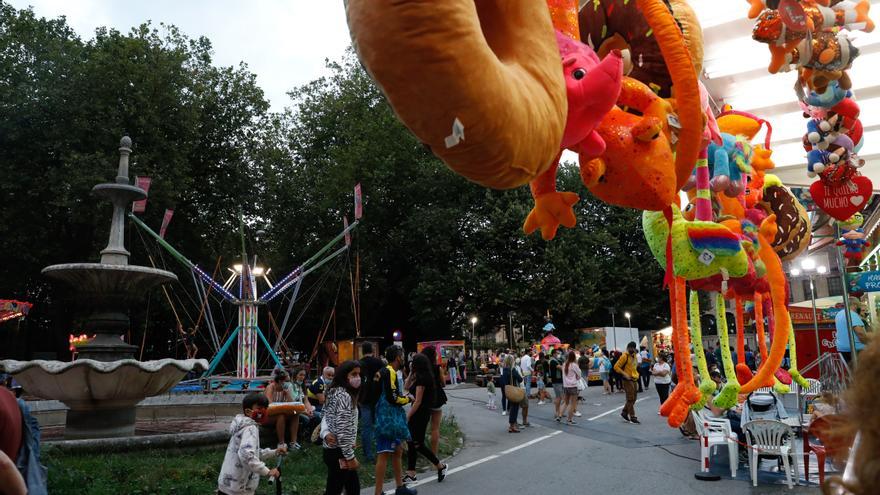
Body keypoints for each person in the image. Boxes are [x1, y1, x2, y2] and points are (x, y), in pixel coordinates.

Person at [217, 392, 285, 495]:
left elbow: (253, 452)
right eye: (260, 408)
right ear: (248, 411)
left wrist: (274, 452)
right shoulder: (250, 428)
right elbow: (246, 454)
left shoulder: (242, 424)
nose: (264, 411)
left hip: (229, 483)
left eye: (266, 408)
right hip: (239, 488)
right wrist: (267, 471)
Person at [374, 346, 417, 495]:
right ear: (398, 357)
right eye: (403, 355)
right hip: (388, 420)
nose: (404, 358)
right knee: (384, 453)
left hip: (389, 417)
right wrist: (407, 399)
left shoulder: (386, 371)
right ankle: (378, 492)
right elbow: (392, 398)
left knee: (397, 451)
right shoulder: (390, 372)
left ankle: (400, 487)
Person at [403, 354, 448, 484]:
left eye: (413, 363)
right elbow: (406, 386)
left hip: (420, 414)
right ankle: (411, 473)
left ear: (418, 364)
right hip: (419, 413)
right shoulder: (420, 376)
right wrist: (411, 372)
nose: (411, 365)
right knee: (412, 442)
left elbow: (417, 402)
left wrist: (408, 416)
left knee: (417, 444)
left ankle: (440, 466)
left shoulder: (423, 379)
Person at [322, 360, 362, 495]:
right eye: (354, 374)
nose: (358, 378)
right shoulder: (344, 396)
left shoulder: (333, 391)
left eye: (359, 374)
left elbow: (326, 415)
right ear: (345, 375)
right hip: (340, 452)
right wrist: (350, 457)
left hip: (333, 450)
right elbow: (343, 430)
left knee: (349, 488)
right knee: (338, 489)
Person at [263, 368, 308, 450]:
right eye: (287, 381)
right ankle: (281, 443)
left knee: (295, 413)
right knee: (281, 415)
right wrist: (283, 408)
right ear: (280, 381)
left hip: (280, 412)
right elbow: (269, 405)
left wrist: (287, 394)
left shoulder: (285, 389)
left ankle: (293, 442)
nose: (289, 383)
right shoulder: (271, 387)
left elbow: (292, 405)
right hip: (269, 415)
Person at [418, 346, 447, 456]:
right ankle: (433, 456)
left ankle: (421, 453)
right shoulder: (437, 368)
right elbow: (443, 383)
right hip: (436, 398)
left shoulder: (420, 369)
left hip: (422, 399)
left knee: (421, 427)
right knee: (435, 428)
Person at [358, 342, 384, 463]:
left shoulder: (359, 364)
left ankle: (368, 454)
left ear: (362, 351)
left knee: (366, 427)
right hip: (377, 398)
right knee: (378, 424)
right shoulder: (379, 363)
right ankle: (381, 451)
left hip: (364, 398)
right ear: (373, 350)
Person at [836, 296, 872, 363]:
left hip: (842, 349)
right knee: (864, 371)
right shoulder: (852, 314)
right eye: (858, 305)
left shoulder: (839, 314)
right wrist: (869, 344)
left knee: (853, 370)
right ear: (855, 305)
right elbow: (860, 333)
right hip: (856, 349)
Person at [614, 342, 641, 424]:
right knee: (630, 398)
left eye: (634, 348)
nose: (633, 350)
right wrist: (625, 374)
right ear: (628, 348)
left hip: (634, 378)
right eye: (631, 348)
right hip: (627, 380)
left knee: (634, 398)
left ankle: (624, 412)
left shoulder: (634, 355)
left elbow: (634, 366)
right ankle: (632, 416)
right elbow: (616, 367)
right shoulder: (624, 356)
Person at [502, 355, 524, 433]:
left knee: (512, 407)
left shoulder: (504, 370)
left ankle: (512, 425)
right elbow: (520, 379)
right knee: (515, 408)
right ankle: (512, 426)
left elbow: (503, 381)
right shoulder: (512, 370)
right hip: (514, 390)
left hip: (508, 390)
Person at [561, 351, 581, 425]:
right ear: (574, 357)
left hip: (566, 386)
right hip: (573, 386)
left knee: (566, 402)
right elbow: (579, 374)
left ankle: (560, 415)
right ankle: (569, 420)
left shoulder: (564, 364)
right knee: (573, 404)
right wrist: (577, 378)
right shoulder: (574, 365)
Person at [549, 349, 564, 420]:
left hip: (559, 380)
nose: (558, 354)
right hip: (556, 381)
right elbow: (561, 368)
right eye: (557, 353)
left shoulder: (556, 360)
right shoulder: (553, 361)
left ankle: (559, 411)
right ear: (554, 354)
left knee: (560, 397)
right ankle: (557, 412)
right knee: (558, 397)